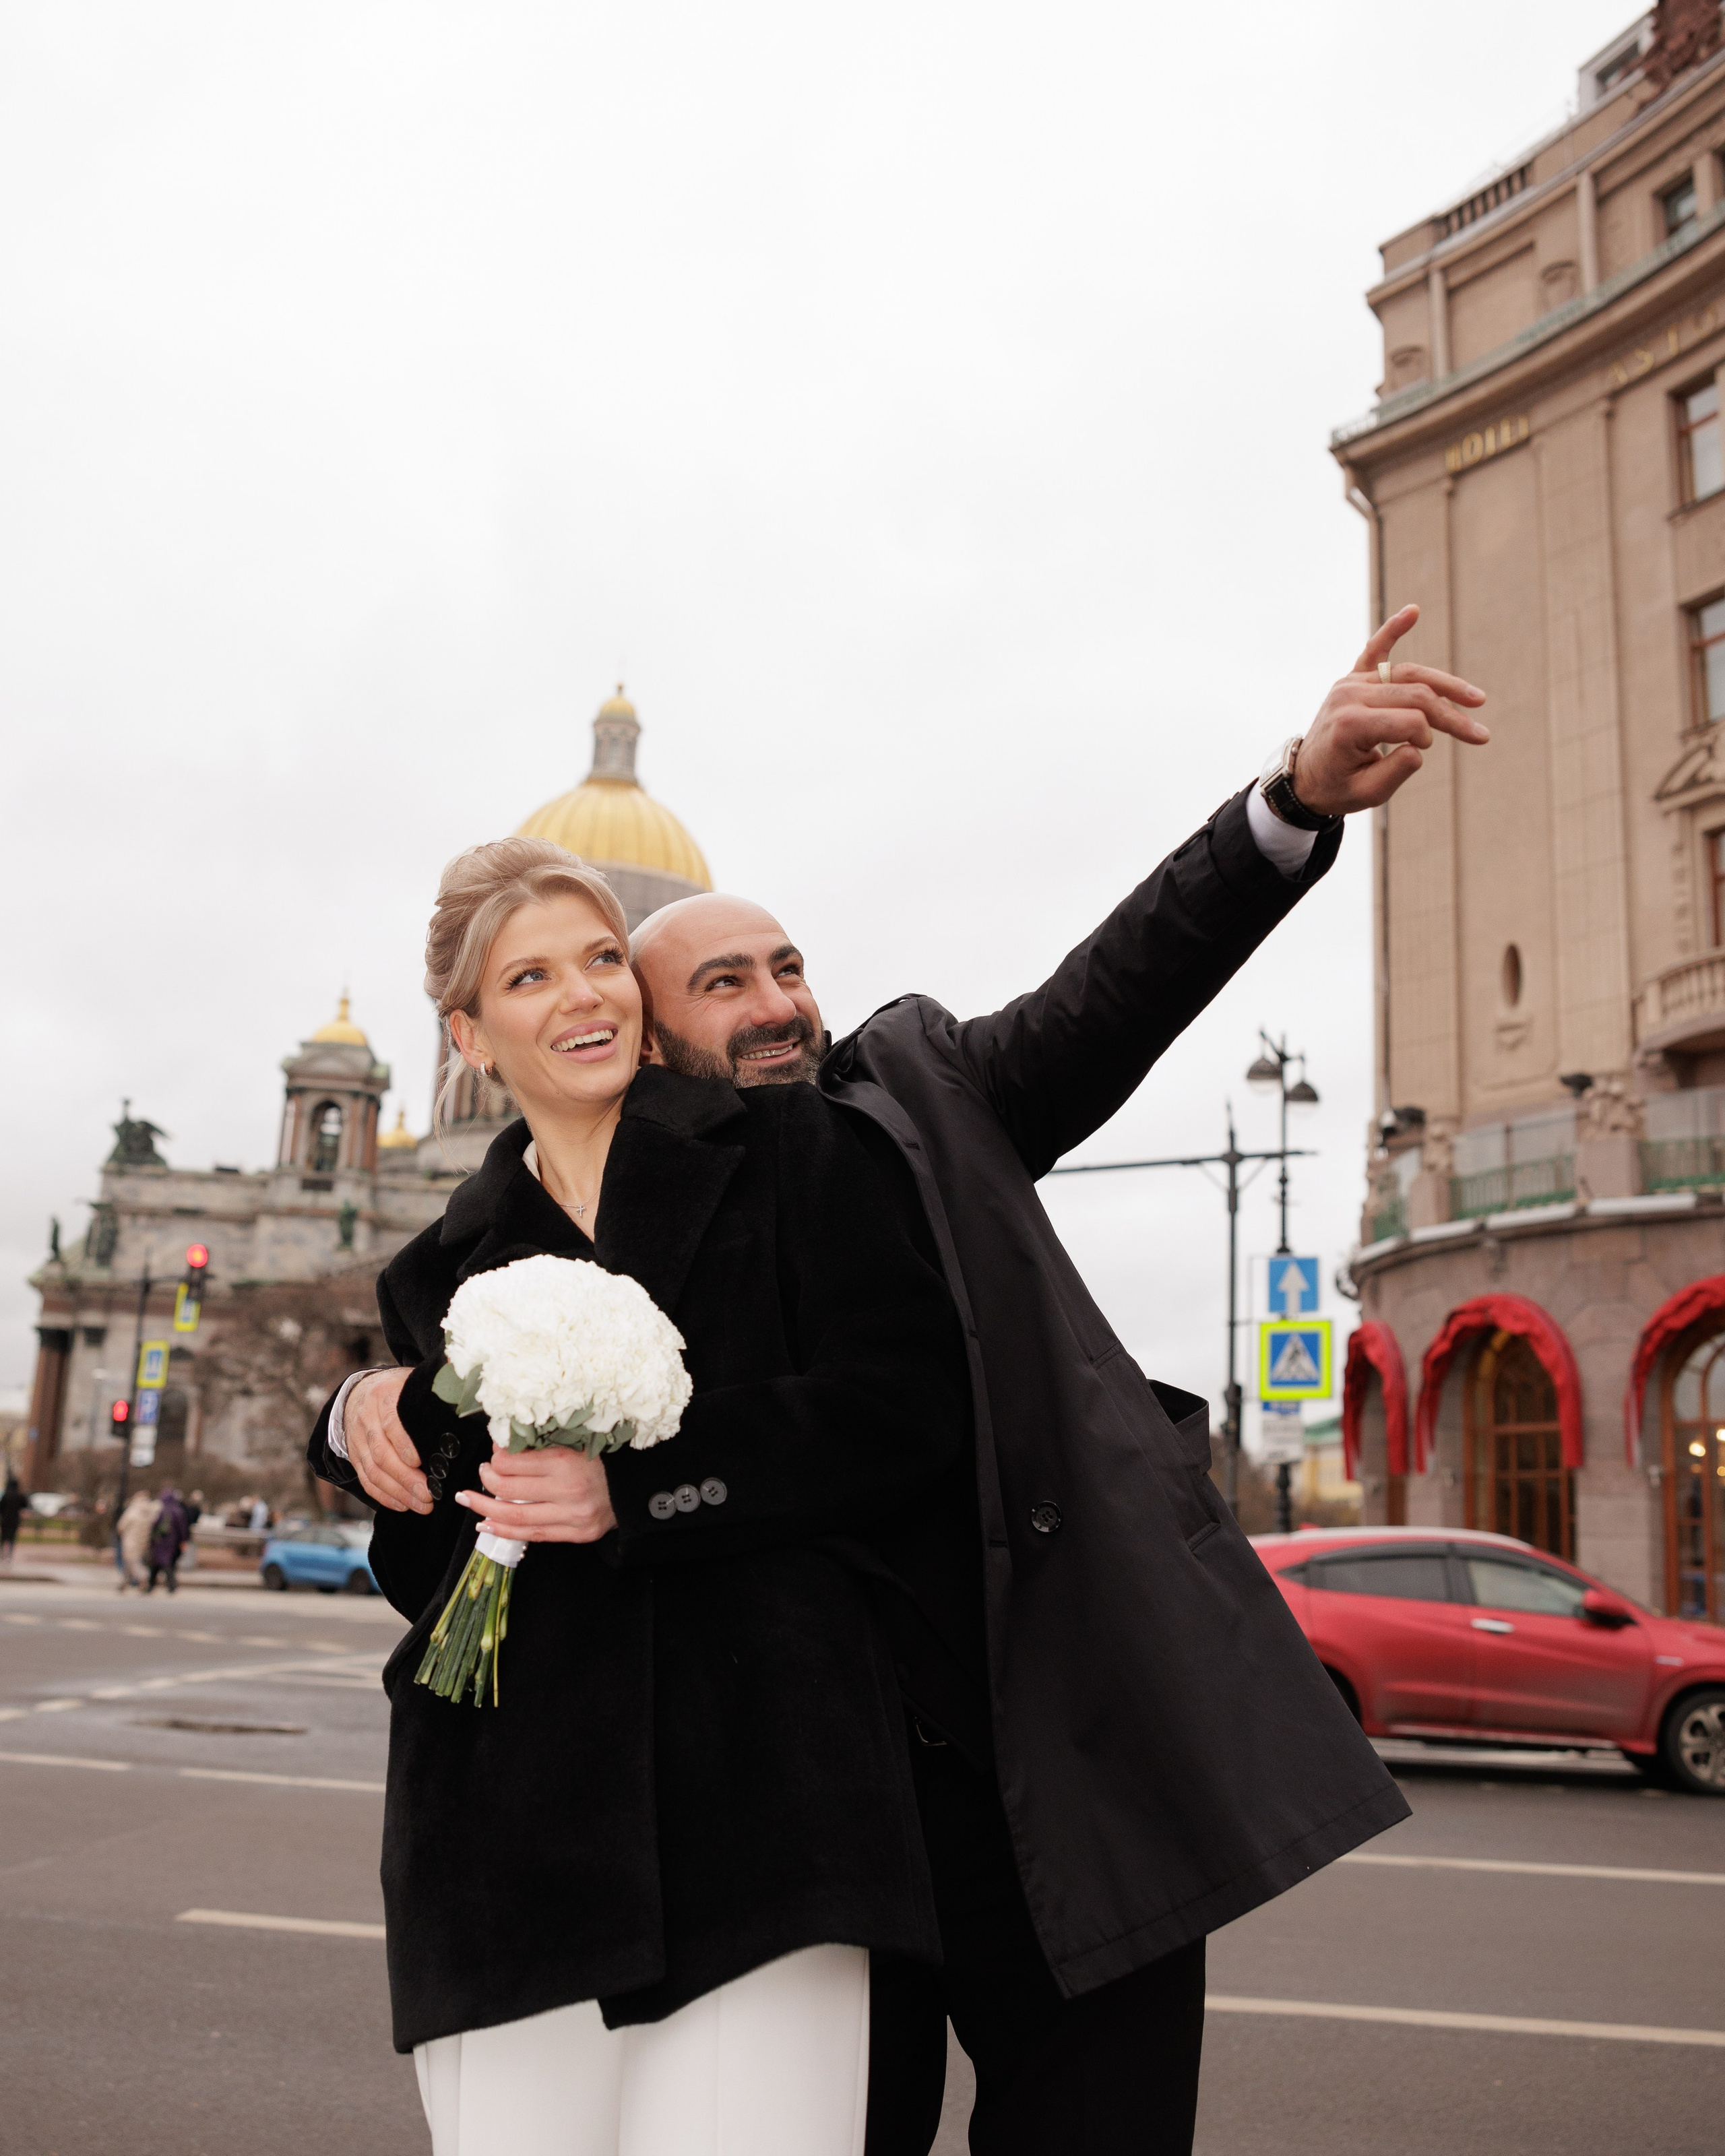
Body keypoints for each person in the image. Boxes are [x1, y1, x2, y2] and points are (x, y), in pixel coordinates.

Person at [337, 608, 1489, 2154]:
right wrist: (357, 1416)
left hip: (1048, 1762)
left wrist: (1284, 804)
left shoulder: (909, 1101)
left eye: (787, 967)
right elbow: (467, 1442)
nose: (772, 1004)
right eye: (719, 983)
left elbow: (1110, 992)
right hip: (804, 1824)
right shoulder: (570, 1229)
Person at [309, 839, 970, 2156]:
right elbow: (418, 1562)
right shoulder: (437, 1267)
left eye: (604, 958)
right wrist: (358, 1429)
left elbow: (910, 1412)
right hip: (503, 1831)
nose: (585, 995)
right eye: (533, 974)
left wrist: (639, 1486)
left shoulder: (799, 1153)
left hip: (764, 1809)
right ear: (470, 1033)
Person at [146, 1484, 190, 1593]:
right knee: (163, 1563)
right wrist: (183, 1540)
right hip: (173, 1542)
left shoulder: (162, 1510)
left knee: (161, 1563)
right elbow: (183, 1528)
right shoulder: (178, 1511)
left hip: (161, 1541)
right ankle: (161, 1585)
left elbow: (155, 1526)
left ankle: (161, 1584)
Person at [116, 1487, 160, 1593]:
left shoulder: (133, 1511)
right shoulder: (150, 1512)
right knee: (132, 1562)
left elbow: (121, 1526)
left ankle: (143, 1579)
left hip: (131, 1540)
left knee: (133, 1562)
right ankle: (125, 1582)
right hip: (144, 1541)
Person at [0, 1472, 25, 1564]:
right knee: (12, 1538)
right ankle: (10, 1556)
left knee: (4, 1537)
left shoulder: (6, 1495)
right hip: (15, 1520)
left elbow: (1, 1507)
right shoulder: (19, 1496)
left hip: (5, 1520)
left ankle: (2, 1554)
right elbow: (25, 1505)